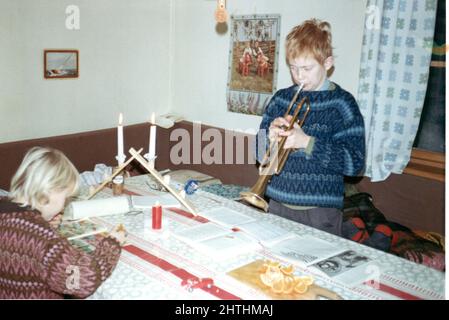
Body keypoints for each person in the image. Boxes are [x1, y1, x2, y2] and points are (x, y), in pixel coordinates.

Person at [255, 19, 365, 236]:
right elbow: (259, 155)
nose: (299, 76)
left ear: (327, 63)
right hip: (277, 203)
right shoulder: (281, 99)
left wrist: (307, 142)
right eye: (293, 68)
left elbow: (355, 164)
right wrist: (270, 138)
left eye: (307, 68)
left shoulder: (342, 104)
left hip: (321, 212)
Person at [0, 146, 126, 299]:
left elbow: (20, 241)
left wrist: (42, 223)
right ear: (49, 191)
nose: (65, 204)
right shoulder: (44, 239)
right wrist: (111, 245)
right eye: (65, 198)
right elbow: (83, 280)